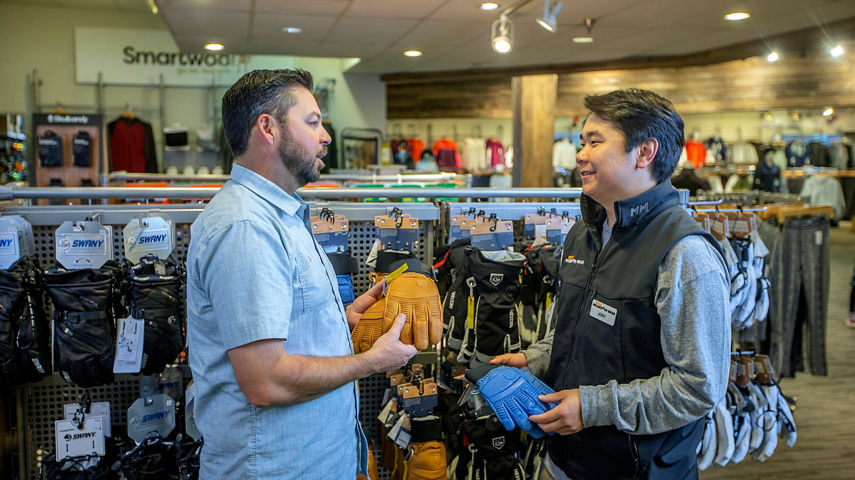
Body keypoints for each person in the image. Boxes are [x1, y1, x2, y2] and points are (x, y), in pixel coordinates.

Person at [186, 69, 418, 479]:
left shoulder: (283, 215)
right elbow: (267, 381)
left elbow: (280, 330)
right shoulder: (246, 227)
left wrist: (339, 319)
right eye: (313, 122)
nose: (326, 136)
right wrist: (370, 361)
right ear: (268, 129)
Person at [492, 89, 731, 479]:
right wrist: (535, 360)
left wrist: (591, 407)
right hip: (563, 461)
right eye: (582, 142)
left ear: (645, 152)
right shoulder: (583, 235)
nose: (581, 154)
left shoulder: (685, 254)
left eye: (595, 142)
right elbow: (576, 332)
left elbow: (697, 388)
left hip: (636, 470)